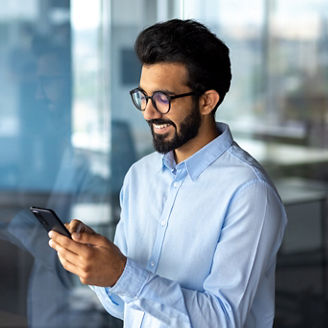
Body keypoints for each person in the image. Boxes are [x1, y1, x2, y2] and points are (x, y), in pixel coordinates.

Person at [49, 19, 287, 327]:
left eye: (163, 99)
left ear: (206, 101)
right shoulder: (140, 177)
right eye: (144, 96)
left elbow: (223, 320)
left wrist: (122, 273)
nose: (148, 112)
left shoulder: (249, 193)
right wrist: (97, 266)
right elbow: (125, 306)